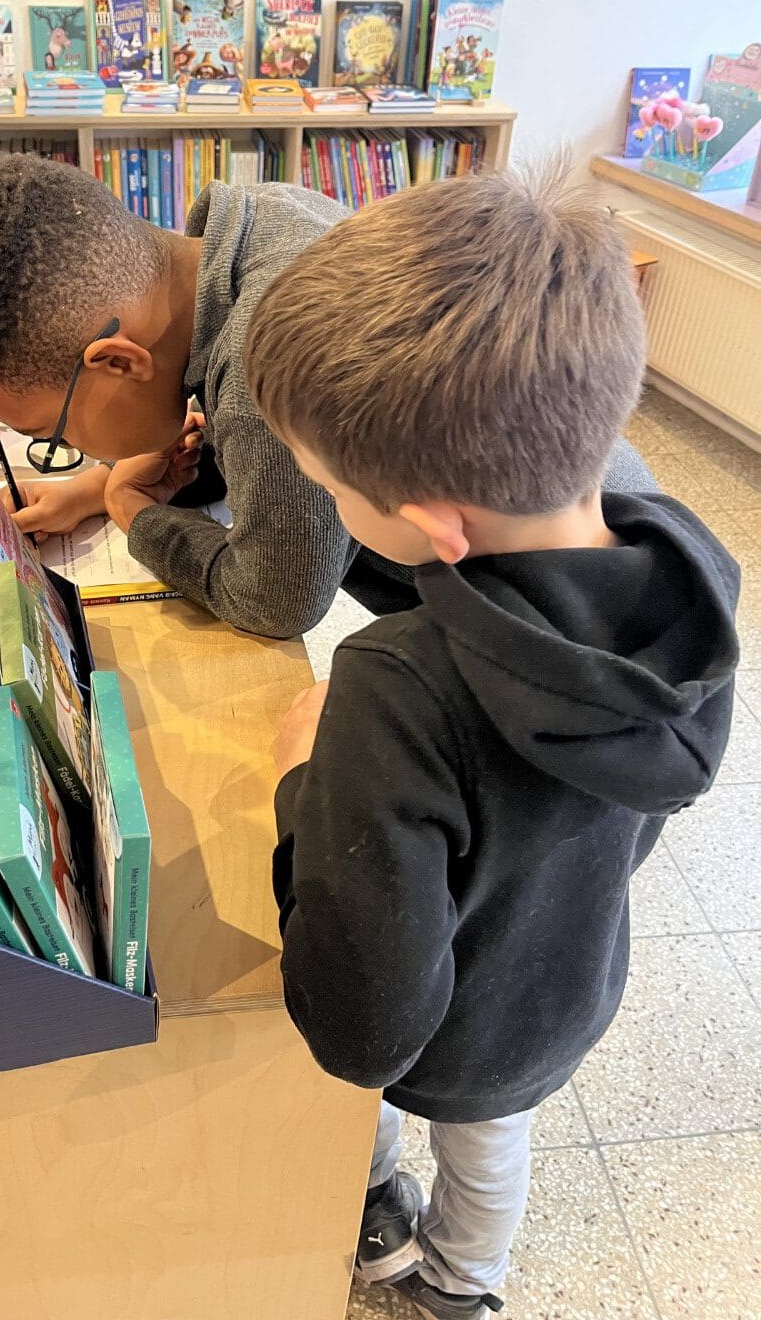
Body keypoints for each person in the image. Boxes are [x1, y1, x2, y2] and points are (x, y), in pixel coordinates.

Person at [241, 164, 740, 1319]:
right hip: (562, 993)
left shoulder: (394, 690)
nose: (328, 509)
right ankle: (465, 1287)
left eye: (327, 489)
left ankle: (373, 1210)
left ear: (428, 524)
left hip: (440, 1027)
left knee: (371, 1108)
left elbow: (360, 1026)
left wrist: (306, 782)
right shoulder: (685, 583)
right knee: (493, 1147)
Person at [0, 155, 655, 640]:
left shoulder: (259, 376)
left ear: (118, 361)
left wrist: (132, 512)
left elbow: (277, 599)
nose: (67, 450)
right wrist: (93, 485)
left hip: (563, 618)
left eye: (53, 434)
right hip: (602, 511)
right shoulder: (254, 218)